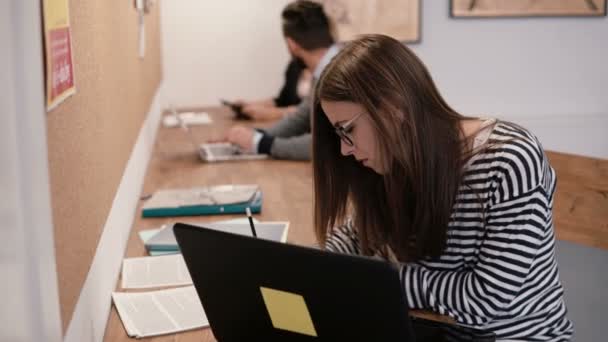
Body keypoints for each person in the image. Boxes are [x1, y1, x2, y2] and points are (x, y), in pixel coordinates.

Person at [313, 34, 574, 341]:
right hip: (427, 332)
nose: (345, 150)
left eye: (348, 130)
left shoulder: (509, 159)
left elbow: (485, 300)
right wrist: (320, 271)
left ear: (393, 107)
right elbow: (354, 234)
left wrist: (374, 279)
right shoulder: (393, 161)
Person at [220, 0, 338, 161]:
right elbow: (303, 117)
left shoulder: (341, 73)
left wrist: (261, 143)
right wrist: (254, 135)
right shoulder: (328, 67)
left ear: (291, 44)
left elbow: (331, 144)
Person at [235, 58, 310, 121]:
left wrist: (273, 113)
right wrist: (250, 104)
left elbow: (310, 111)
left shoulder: (320, 70)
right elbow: (282, 100)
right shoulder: (295, 66)